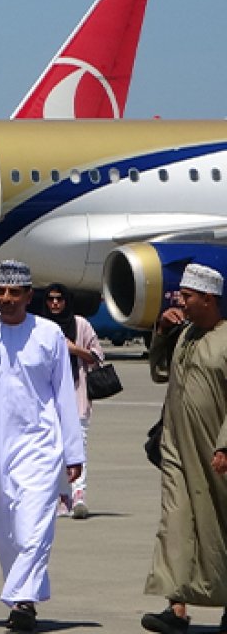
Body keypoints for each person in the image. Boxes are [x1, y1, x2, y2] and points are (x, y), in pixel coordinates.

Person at [0, 260, 84, 634]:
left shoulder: (49, 334)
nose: (6, 299)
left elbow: (63, 396)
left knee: (33, 526)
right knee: (5, 531)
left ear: (28, 296)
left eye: (15, 293)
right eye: (1, 292)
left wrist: (73, 453)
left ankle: (22, 599)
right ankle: (22, 601)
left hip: (39, 445)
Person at [140, 263, 227, 634]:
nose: (181, 302)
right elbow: (158, 371)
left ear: (208, 299)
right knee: (173, 523)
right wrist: (162, 331)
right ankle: (175, 607)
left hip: (215, 452)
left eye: (187, 297)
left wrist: (226, 446)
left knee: (218, 528)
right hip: (177, 448)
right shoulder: (184, 334)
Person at [40, 283, 102, 519]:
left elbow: (97, 356)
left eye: (59, 299)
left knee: (78, 448)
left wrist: (75, 349)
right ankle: (61, 496)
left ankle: (79, 496)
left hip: (77, 397)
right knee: (53, 450)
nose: (55, 303)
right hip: (48, 400)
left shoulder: (80, 325)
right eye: (50, 299)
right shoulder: (40, 326)